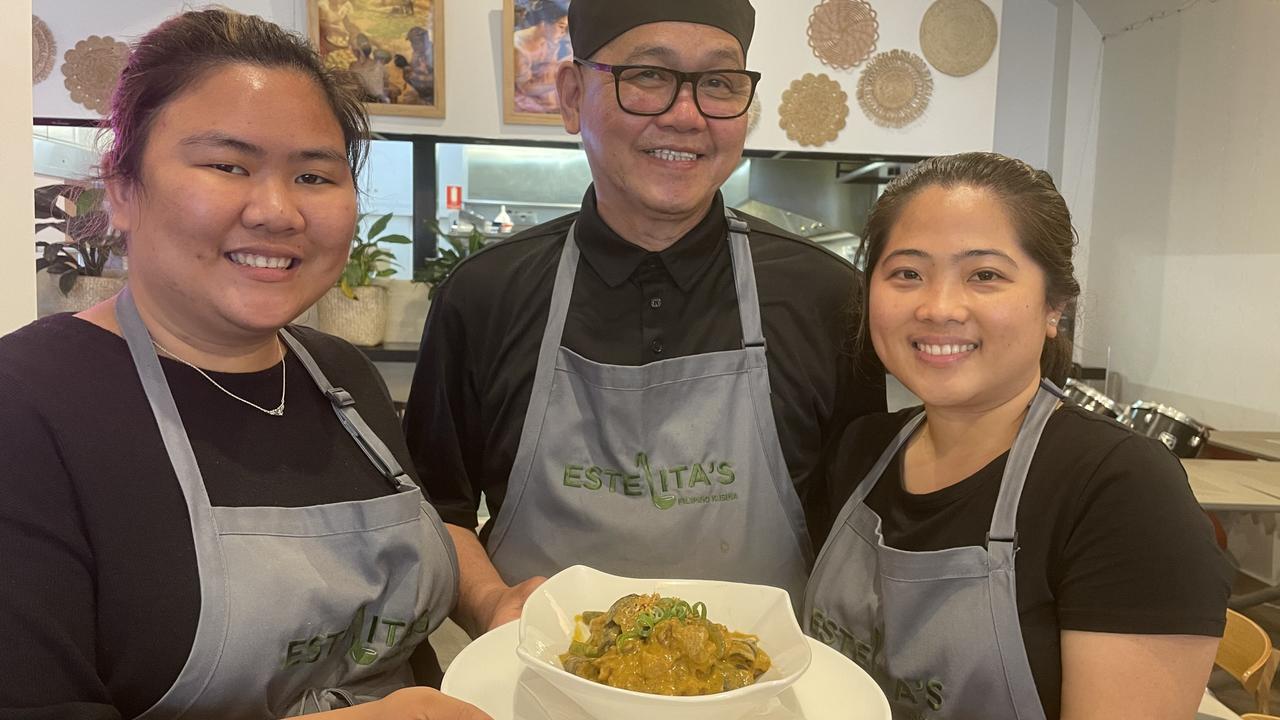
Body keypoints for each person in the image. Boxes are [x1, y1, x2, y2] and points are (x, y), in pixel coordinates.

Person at [0, 10, 528, 719]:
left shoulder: (342, 376)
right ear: (122, 188)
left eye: (314, 175)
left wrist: (496, 602)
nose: (278, 211)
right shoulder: (27, 403)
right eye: (227, 166)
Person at [403, 0, 886, 610]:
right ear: (573, 96)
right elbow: (435, 510)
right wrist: (490, 605)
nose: (686, 115)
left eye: (717, 82)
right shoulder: (484, 295)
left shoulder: (827, 298)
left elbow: (859, 526)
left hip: (764, 696)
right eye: (648, 76)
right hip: (537, 687)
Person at [803, 152, 1232, 719]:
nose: (938, 308)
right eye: (907, 272)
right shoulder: (863, 449)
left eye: (985, 275)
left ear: (1055, 306)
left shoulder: (1121, 489)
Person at [512, 1, 569, 113]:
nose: (563, 32)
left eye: (565, 28)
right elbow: (526, 88)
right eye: (561, 26)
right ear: (544, 24)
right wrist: (558, 82)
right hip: (528, 99)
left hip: (546, 93)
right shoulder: (519, 47)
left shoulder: (549, 40)